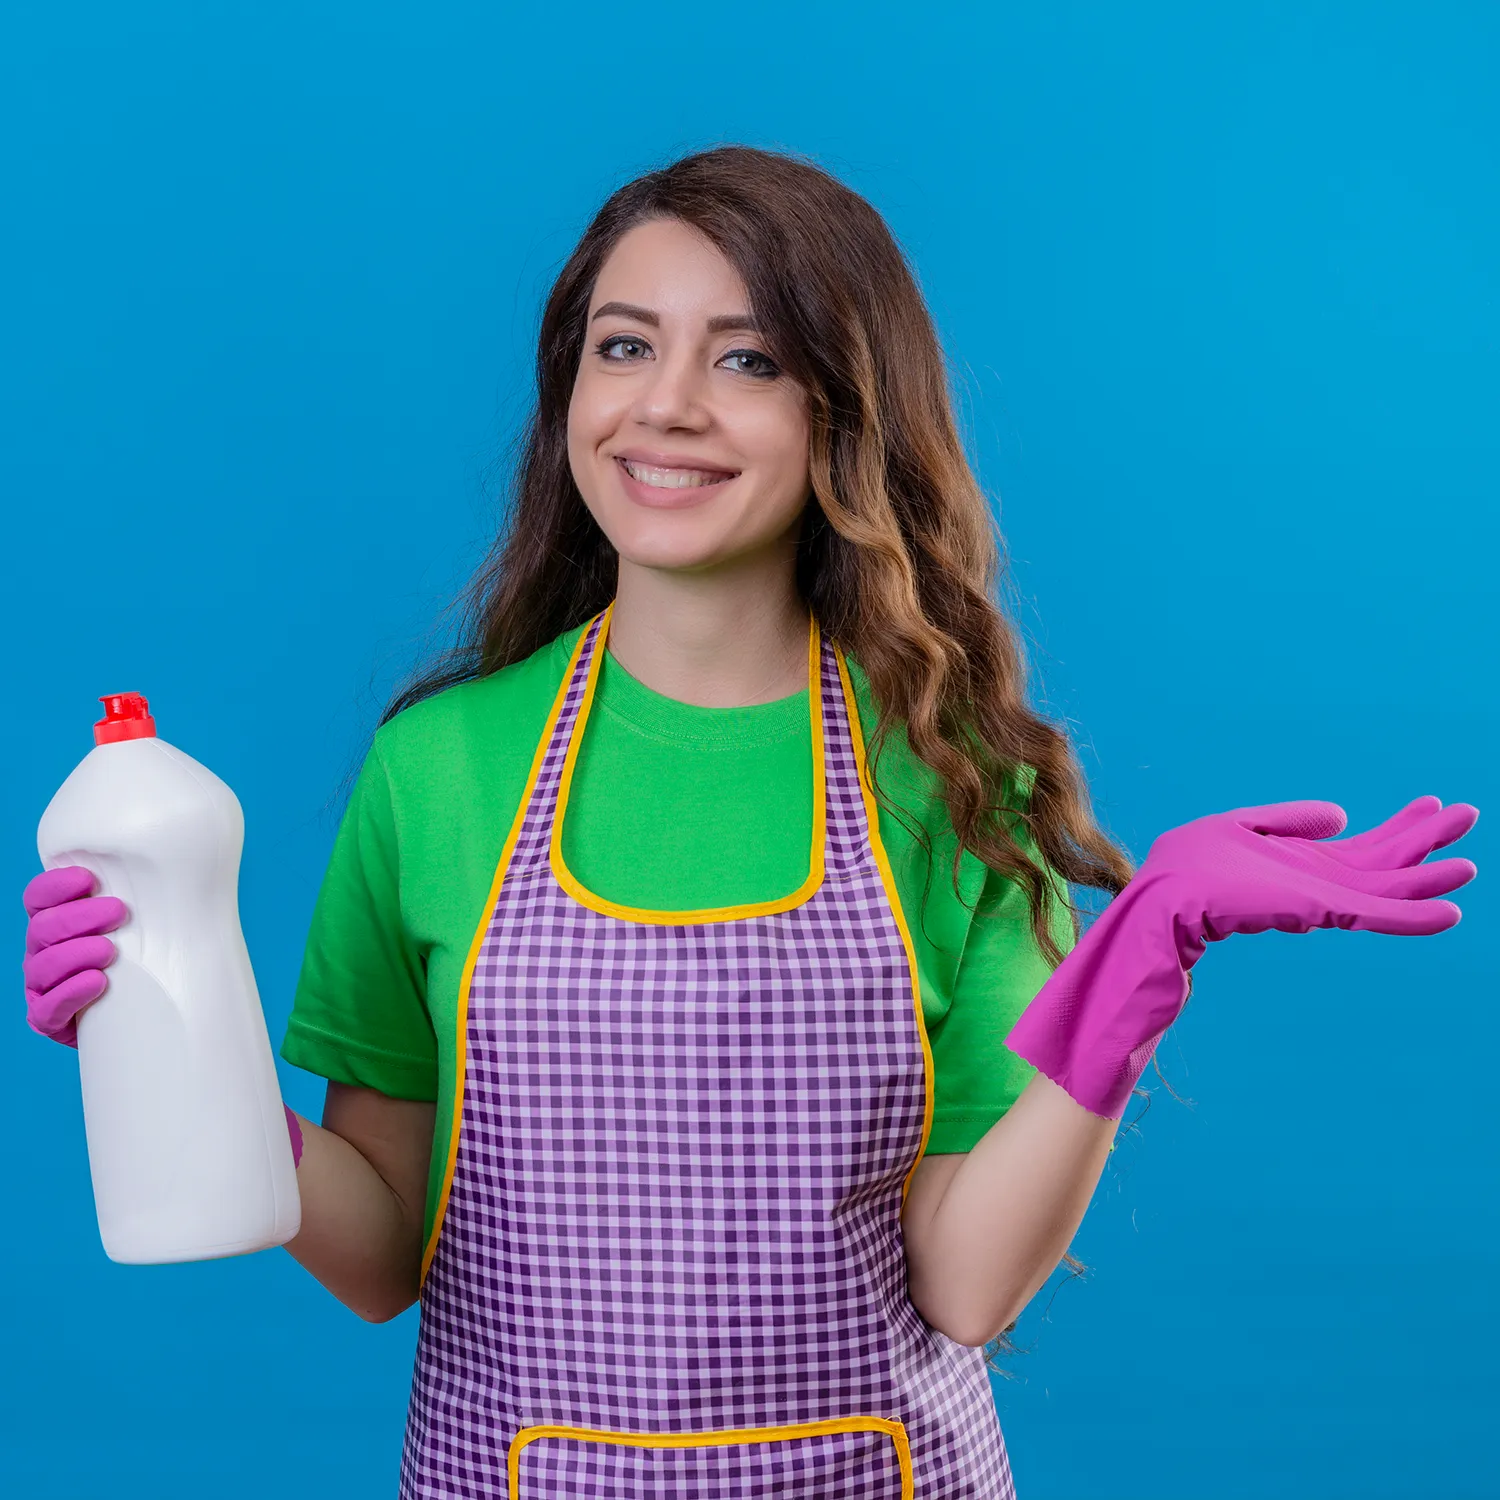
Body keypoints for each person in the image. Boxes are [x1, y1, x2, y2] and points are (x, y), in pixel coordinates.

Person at [23, 145, 1478, 1499]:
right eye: (625, 345)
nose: (665, 405)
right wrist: (178, 1059)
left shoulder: (957, 775)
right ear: (570, 390)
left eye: (749, 359)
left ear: (846, 413)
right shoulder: (438, 767)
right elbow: (382, 1251)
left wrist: (1143, 955)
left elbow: (969, 1285)